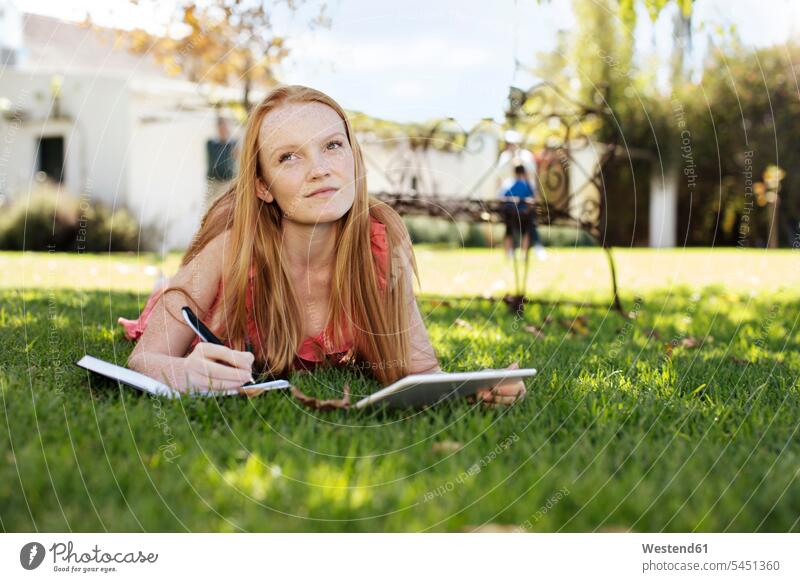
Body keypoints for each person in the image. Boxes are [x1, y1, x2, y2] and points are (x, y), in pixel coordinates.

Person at [118, 85, 526, 406]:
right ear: (263, 186)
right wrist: (183, 373)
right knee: (163, 300)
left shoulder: (381, 247)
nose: (320, 170)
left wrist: (476, 388)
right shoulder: (230, 249)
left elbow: (419, 369)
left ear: (353, 155)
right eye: (289, 158)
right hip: (205, 302)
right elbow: (144, 361)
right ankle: (162, 286)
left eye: (332, 146)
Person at [500, 164, 547, 261]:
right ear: (524, 172)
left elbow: (503, 199)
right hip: (524, 215)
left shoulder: (509, 185)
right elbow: (534, 200)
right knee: (526, 233)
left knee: (508, 233)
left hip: (510, 215)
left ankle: (508, 255)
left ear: (515, 173)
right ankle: (523, 254)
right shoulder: (527, 185)